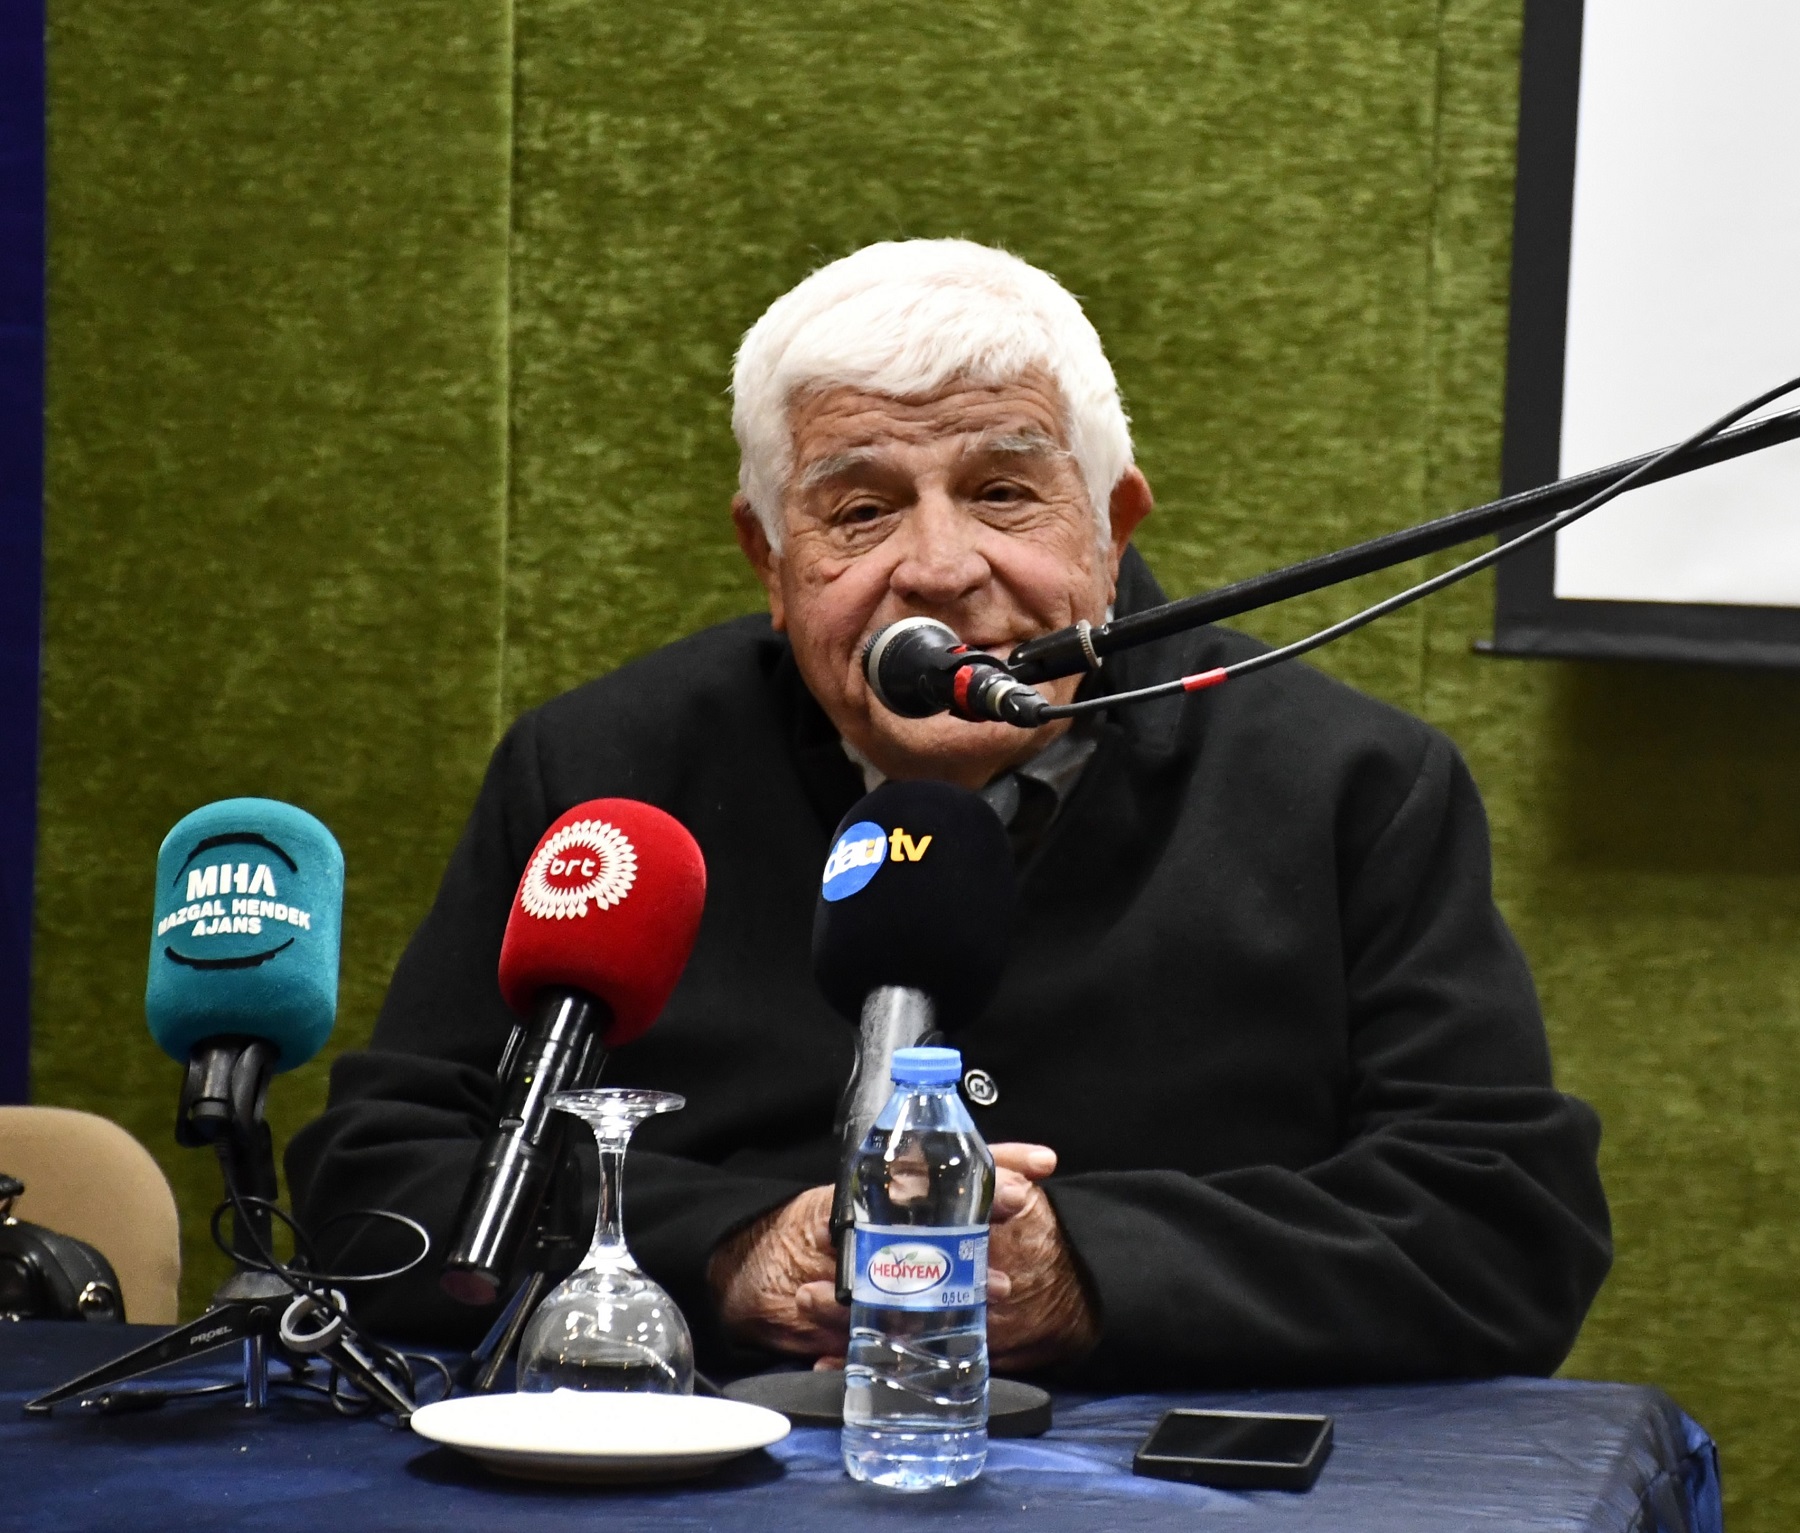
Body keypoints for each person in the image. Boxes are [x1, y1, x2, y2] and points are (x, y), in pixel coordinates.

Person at [286, 239, 1611, 1386]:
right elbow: (380, 1186)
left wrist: (1087, 1271)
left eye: (1003, 493)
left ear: (1112, 524)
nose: (938, 568)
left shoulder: (1351, 785)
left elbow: (1504, 1230)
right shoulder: (603, 773)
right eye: (860, 510)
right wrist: (730, 1249)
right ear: (769, 560)